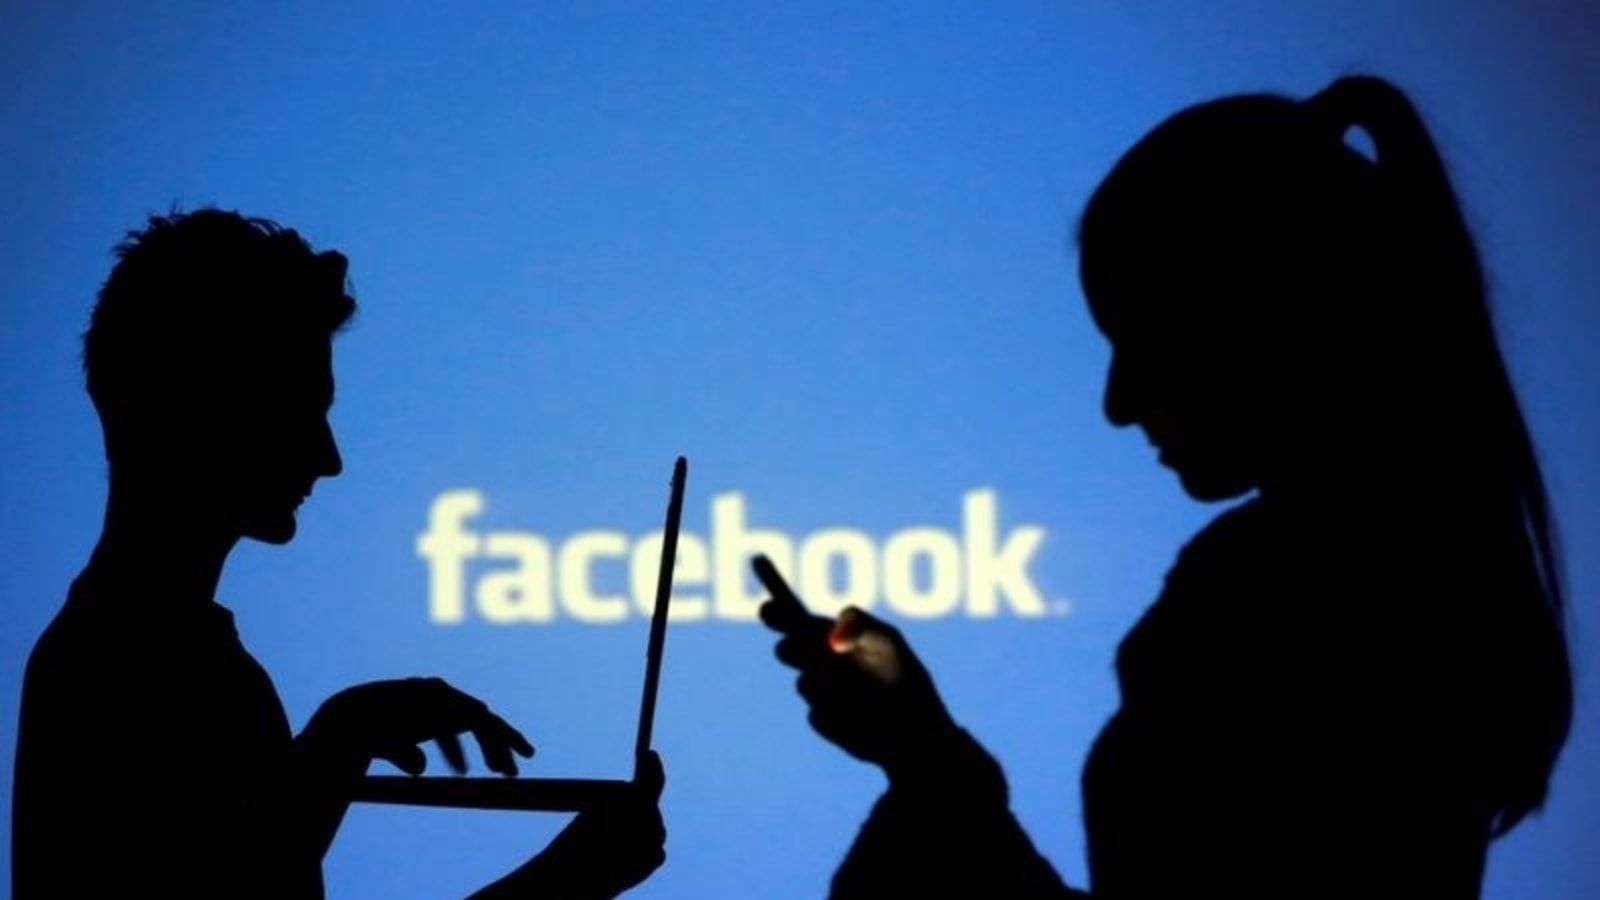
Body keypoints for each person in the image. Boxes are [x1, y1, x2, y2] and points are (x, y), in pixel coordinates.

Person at [756, 74, 1572, 898]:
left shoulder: (1271, 607)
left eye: (1137, 344)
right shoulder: (1431, 581)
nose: (1116, 405)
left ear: (1251, 323)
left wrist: (929, 766)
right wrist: (923, 753)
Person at [11, 208, 666, 899]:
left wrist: (340, 742)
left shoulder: (122, 656)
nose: (329, 459)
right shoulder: (137, 672)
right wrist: (567, 880)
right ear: (202, 405)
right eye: (299, 410)